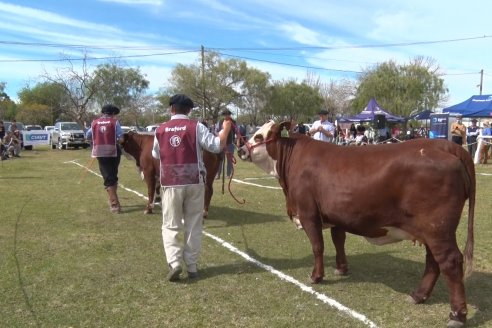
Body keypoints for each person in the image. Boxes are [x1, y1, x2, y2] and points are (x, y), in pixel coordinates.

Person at [152, 94, 232, 281]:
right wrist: (225, 129)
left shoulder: (160, 129)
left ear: (171, 109)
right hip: (195, 181)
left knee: (170, 225)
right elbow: (216, 146)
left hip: (171, 183)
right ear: (189, 110)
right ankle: (192, 266)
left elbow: (155, 154)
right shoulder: (196, 127)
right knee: (193, 224)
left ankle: (174, 263)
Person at [85, 104, 124, 214]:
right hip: (114, 152)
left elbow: (87, 136)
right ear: (112, 114)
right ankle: (114, 201)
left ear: (102, 113)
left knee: (108, 177)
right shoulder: (115, 122)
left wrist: (96, 139)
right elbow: (121, 138)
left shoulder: (94, 123)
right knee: (113, 176)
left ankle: (113, 202)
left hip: (100, 153)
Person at [215, 109, 236, 179]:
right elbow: (216, 131)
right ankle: (218, 174)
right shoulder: (220, 122)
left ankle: (228, 174)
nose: (226, 116)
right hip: (221, 143)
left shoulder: (233, 122)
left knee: (229, 160)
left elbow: (236, 131)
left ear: (229, 115)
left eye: (228, 115)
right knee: (220, 160)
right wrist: (219, 135)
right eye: (225, 115)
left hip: (230, 143)